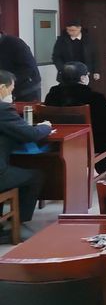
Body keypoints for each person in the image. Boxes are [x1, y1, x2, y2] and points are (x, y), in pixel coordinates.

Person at [45, 62, 106, 178]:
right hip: (91, 143)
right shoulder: (95, 97)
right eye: (87, 75)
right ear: (83, 78)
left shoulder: (51, 95)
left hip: (60, 143)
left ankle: (104, 168)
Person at [0, 70, 49, 231]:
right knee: (36, 176)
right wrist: (46, 127)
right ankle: (17, 225)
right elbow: (31, 134)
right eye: (11, 90)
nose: (12, 95)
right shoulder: (3, 110)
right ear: (2, 88)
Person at [0, 31, 41, 101]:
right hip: (7, 90)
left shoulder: (15, 43)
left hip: (27, 90)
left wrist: (8, 81)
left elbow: (28, 68)